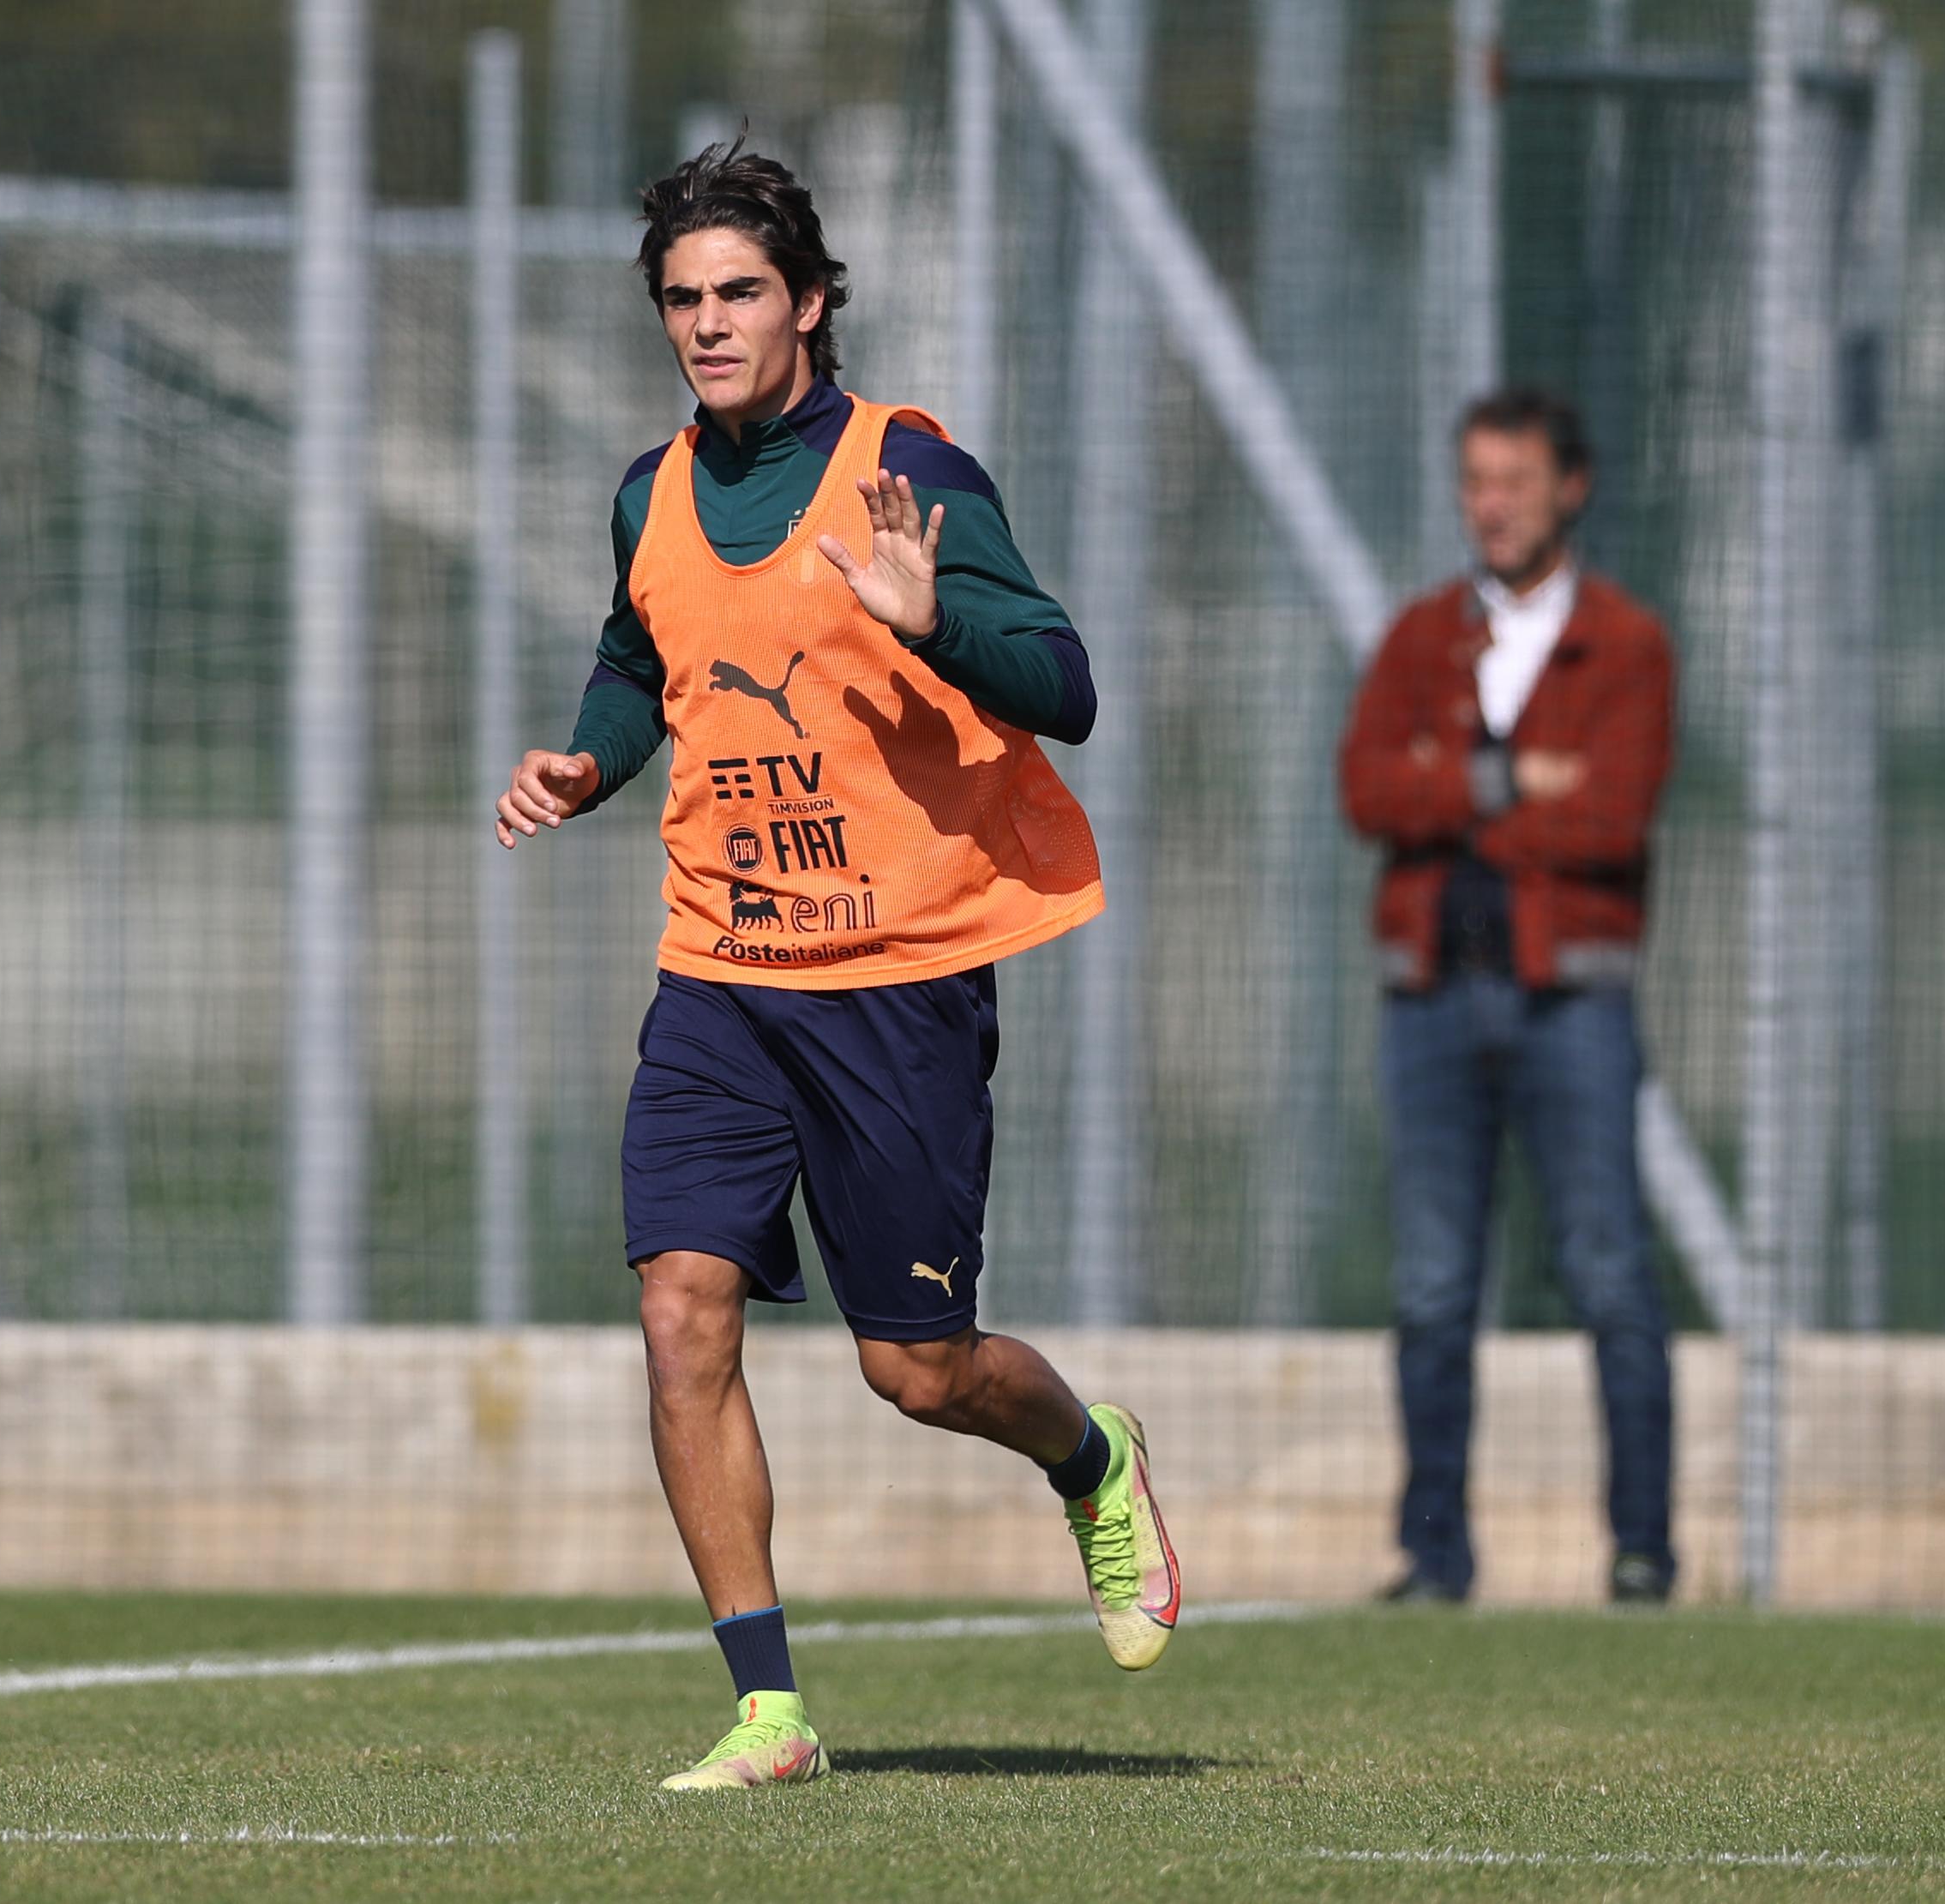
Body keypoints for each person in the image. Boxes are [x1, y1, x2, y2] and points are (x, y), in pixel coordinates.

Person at [492, 142, 1178, 1792]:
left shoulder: (908, 462)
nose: (710, 325)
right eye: (683, 300)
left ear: (808, 303)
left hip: (901, 977)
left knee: (915, 1369)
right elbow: (632, 656)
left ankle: (1091, 1457)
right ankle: (771, 1713)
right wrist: (592, 761)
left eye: (740, 293)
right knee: (680, 1315)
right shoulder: (648, 490)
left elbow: (1065, 683)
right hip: (719, 968)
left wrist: (929, 614)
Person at [1337, 388, 1678, 1607]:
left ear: (1568, 488)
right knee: (1432, 1286)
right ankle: (1436, 1556)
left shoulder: (1626, 644)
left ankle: (1642, 1551)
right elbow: (1369, 789)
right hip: (1431, 994)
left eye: (1516, 482)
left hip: (1567, 1002)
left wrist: (1459, 792)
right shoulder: (1423, 635)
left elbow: (1612, 814)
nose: (1492, 505)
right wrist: (1504, 774)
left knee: (1608, 1272)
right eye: (1477, 480)